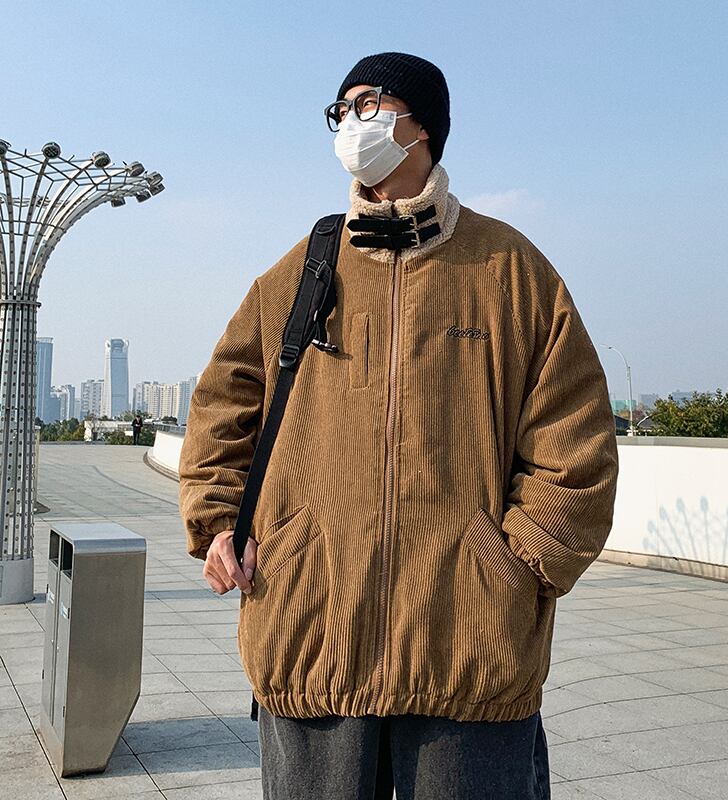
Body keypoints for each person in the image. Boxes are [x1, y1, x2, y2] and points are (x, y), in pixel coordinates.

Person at [178, 51, 619, 800]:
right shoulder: (301, 274)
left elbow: (576, 445)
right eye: (341, 110)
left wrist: (511, 570)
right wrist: (221, 524)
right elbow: (222, 408)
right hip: (313, 634)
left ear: (424, 127)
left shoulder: (512, 272)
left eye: (369, 104)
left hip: (467, 653)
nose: (351, 123)